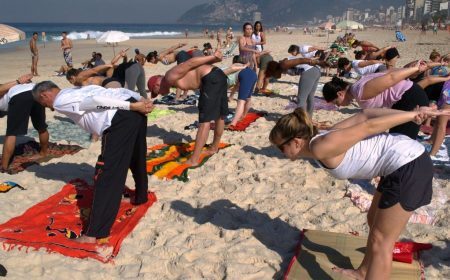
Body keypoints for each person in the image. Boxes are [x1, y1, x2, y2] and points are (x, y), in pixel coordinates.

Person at [269, 106, 448, 280]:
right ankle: (363, 272)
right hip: (395, 165)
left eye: (281, 147)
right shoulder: (323, 137)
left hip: (409, 163)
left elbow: (368, 126)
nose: (280, 152)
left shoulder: (320, 146)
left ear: (296, 142)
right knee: (373, 220)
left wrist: (411, 116)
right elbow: (365, 114)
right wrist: (410, 113)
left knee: (382, 242)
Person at [31, 81, 153, 243]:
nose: (48, 107)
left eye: (43, 103)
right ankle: (140, 196)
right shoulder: (76, 90)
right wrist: (141, 100)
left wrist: (132, 107)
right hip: (132, 106)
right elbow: (114, 91)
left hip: (120, 118)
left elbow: (95, 102)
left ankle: (95, 233)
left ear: (44, 95)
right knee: (136, 156)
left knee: (108, 175)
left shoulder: (60, 101)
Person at [147, 50, 227, 166]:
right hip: (218, 75)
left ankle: (194, 160)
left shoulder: (169, 76)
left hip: (210, 78)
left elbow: (191, 63)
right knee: (220, 115)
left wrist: (212, 57)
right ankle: (214, 147)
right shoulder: (173, 80)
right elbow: (194, 68)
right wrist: (214, 59)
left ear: (156, 85)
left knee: (204, 121)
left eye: (157, 92)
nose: (160, 94)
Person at [323, 62, 430, 139]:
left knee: (402, 141)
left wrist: (415, 69)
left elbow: (391, 77)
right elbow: (390, 71)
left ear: (340, 94)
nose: (339, 106)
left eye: (336, 103)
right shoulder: (358, 83)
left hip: (410, 98)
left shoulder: (360, 92)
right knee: (397, 139)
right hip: (405, 98)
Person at [0, 74, 49, 172]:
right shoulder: (10, 89)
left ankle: (4, 166)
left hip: (20, 97)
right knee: (41, 127)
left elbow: (1, 89)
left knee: (11, 133)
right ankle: (43, 153)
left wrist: (18, 81)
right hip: (37, 92)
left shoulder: (5, 91)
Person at [228, 56, 257, 128]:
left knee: (241, 101)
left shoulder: (235, 66)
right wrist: (231, 96)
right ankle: (243, 115)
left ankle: (233, 124)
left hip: (244, 75)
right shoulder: (245, 66)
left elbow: (235, 83)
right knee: (248, 98)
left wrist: (231, 95)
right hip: (253, 74)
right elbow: (237, 84)